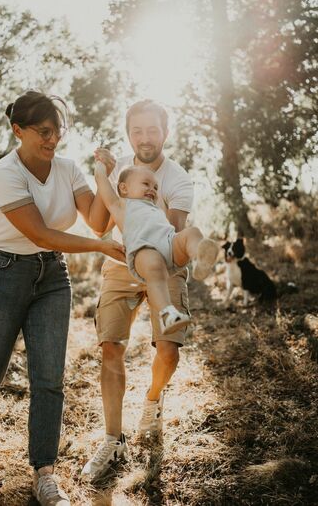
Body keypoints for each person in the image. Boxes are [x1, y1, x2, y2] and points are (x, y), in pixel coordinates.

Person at [0, 91, 124, 505]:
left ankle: (44, 473)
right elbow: (41, 233)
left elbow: (99, 222)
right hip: (1, 274)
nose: (53, 140)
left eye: (58, 132)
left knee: (49, 379)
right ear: (18, 130)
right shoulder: (4, 173)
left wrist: (105, 176)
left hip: (52, 276)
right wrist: (100, 249)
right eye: (44, 132)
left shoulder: (68, 169)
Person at [81, 99, 215, 481]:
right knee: (111, 346)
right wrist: (102, 174)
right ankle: (111, 438)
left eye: (152, 130)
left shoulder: (178, 178)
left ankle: (153, 399)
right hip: (123, 262)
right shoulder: (120, 172)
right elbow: (97, 223)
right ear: (129, 134)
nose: (145, 138)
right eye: (137, 130)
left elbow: (169, 233)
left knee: (169, 351)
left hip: (164, 258)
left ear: (165, 133)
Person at [93, 162, 219, 333]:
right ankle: (168, 314)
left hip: (169, 243)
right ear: (123, 188)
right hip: (143, 251)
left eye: (155, 187)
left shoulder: (154, 208)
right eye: (146, 184)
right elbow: (103, 185)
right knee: (154, 265)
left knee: (192, 232)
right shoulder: (121, 206)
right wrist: (101, 167)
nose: (152, 189)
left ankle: (199, 259)